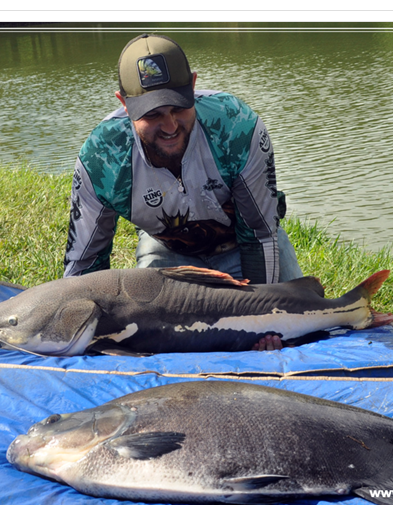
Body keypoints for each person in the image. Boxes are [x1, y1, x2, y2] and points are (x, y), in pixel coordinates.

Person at [63, 34, 303, 349]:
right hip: (168, 254)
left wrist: (261, 320)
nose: (170, 126)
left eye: (178, 107)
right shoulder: (102, 158)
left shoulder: (237, 126)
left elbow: (259, 234)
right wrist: (77, 328)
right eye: (152, 114)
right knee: (153, 345)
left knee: (295, 334)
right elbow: (85, 264)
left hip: (245, 246)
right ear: (124, 103)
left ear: (193, 85)